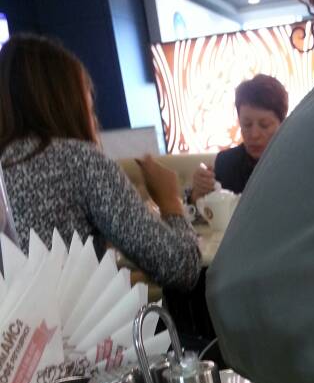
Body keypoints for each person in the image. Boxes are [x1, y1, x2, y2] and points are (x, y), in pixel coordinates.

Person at [0, 34, 201, 290]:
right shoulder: (78, 161)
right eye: (89, 102)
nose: (94, 117)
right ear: (66, 102)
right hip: (75, 317)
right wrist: (170, 200)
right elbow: (180, 267)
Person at [189, 74, 288, 201]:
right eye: (247, 124)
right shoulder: (226, 163)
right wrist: (197, 194)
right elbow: (208, 209)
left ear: (283, 124)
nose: (254, 135)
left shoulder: (296, 162)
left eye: (264, 125)